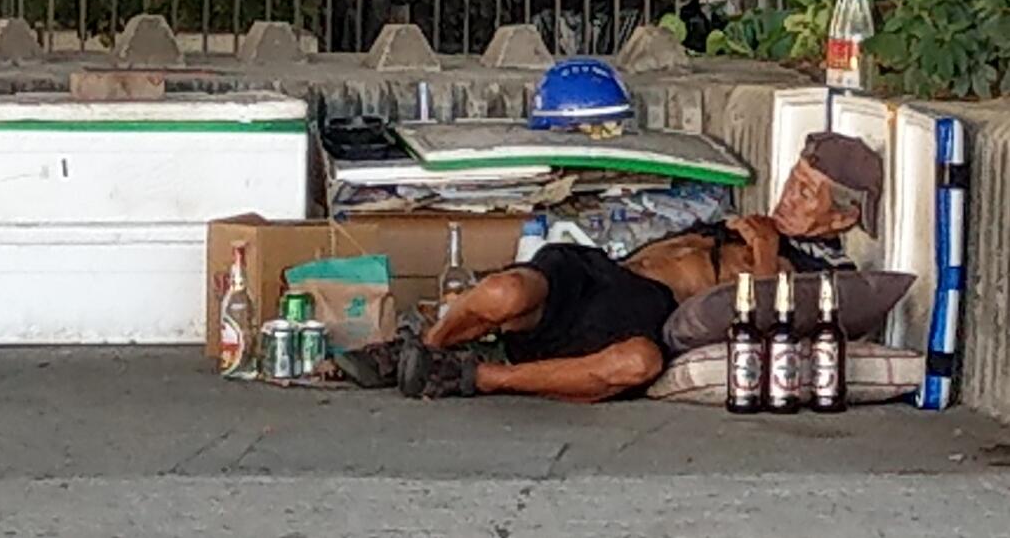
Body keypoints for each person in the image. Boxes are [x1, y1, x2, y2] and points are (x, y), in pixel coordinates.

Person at [337, 130, 882, 403]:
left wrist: (764, 251)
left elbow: (770, 329)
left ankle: (474, 376)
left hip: (643, 315)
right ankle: (420, 349)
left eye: (807, 193)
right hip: (598, 272)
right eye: (792, 180)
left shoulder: (814, 268)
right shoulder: (756, 219)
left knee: (638, 364)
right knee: (505, 293)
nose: (788, 197)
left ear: (841, 217)